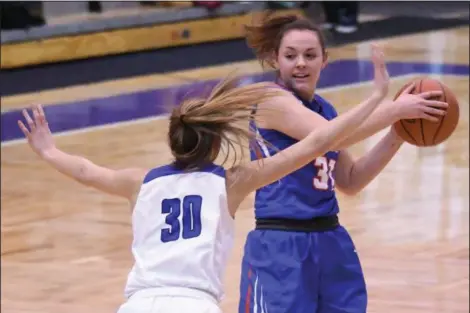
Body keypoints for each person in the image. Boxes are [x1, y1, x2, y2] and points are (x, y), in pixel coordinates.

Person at [18, 63, 389, 313]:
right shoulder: (230, 182)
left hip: (139, 304)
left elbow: (86, 170)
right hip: (194, 303)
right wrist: (375, 100)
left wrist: (49, 150)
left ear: (171, 141)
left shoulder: (140, 182)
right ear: (214, 145)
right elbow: (313, 144)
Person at [239, 13, 449, 313]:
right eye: (291, 55)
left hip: (330, 240)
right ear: (275, 59)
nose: (301, 62)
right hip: (281, 243)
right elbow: (328, 140)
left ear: (324, 61)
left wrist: (399, 133)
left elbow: (351, 179)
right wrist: (389, 106)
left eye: (310, 55)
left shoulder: (325, 109)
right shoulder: (272, 100)